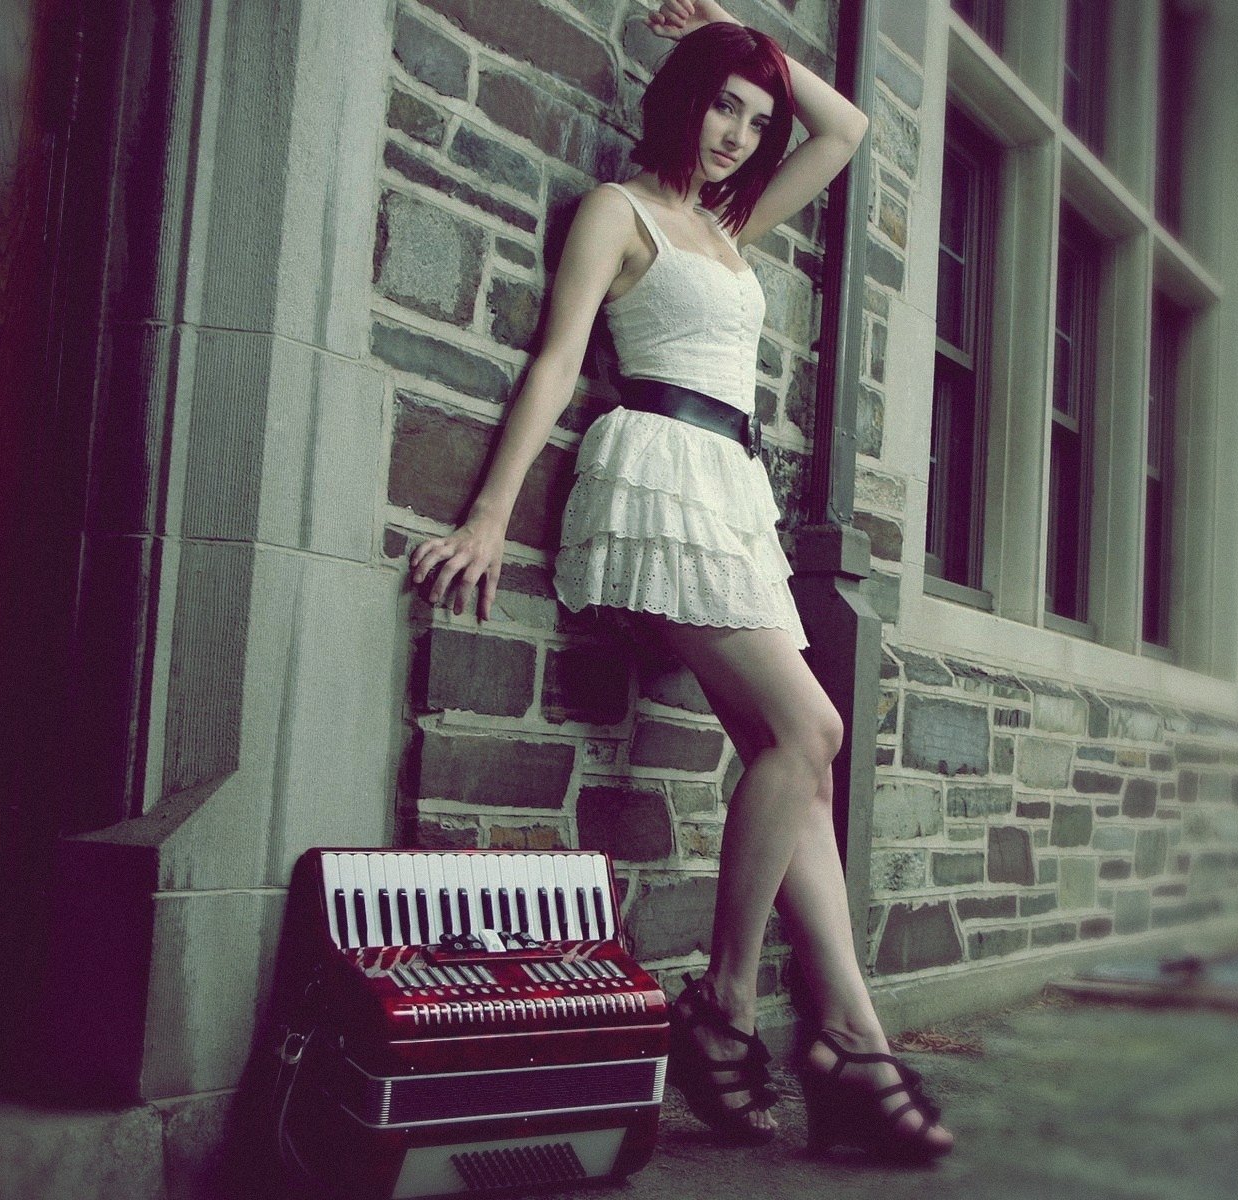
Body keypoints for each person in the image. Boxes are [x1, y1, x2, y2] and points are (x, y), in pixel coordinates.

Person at [407, 0, 953, 1163]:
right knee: (811, 730)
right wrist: (491, 514)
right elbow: (559, 358)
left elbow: (847, 131)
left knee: (798, 766)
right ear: (681, 101)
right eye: (722, 106)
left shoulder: (731, 220)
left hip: (733, 495)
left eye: (755, 119)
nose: (739, 135)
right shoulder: (623, 211)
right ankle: (729, 999)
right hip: (659, 474)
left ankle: (849, 1041)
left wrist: (741, 29)